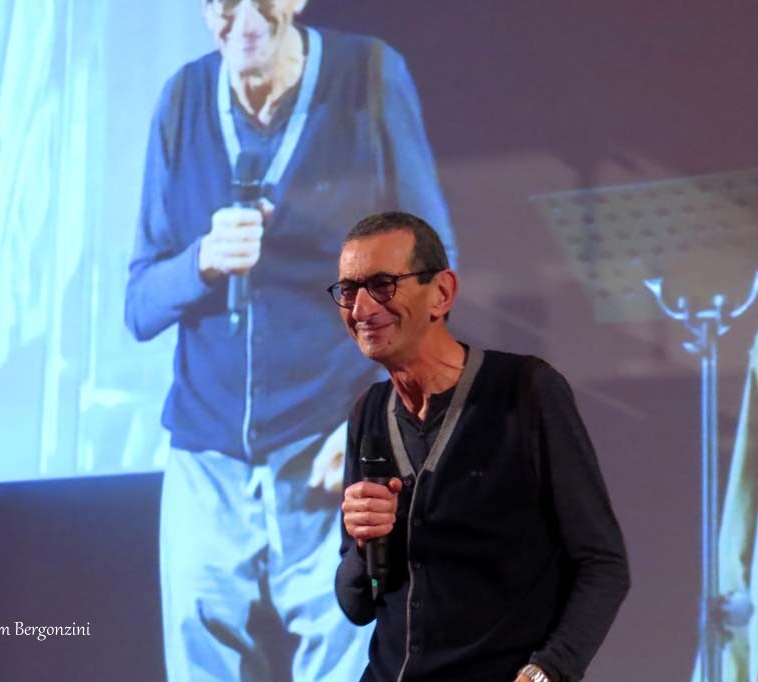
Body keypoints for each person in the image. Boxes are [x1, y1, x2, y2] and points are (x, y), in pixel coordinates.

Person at [124, 1, 455, 679]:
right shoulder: (182, 100)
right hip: (207, 459)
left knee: (348, 663)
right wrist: (201, 261)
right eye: (224, 3)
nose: (246, 19)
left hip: (328, 443)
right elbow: (140, 306)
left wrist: (378, 420)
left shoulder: (367, 77)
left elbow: (431, 276)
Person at [332, 212, 629, 682]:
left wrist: (548, 671)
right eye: (348, 291)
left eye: (383, 285)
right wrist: (363, 544)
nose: (361, 308)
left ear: (442, 293)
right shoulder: (368, 412)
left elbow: (603, 564)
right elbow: (356, 604)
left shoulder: (526, 392)